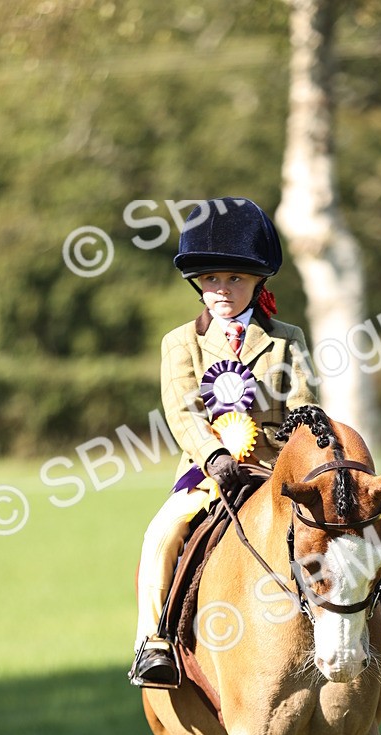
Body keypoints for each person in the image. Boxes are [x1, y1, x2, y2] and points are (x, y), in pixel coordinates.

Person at [129, 196, 318, 687]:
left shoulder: (287, 338)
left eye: (235, 278)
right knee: (162, 533)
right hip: (207, 473)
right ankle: (154, 641)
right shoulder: (180, 343)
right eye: (211, 278)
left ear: (258, 282)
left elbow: (302, 402)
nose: (222, 289)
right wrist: (213, 455)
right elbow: (182, 410)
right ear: (198, 283)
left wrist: (299, 441)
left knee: (342, 514)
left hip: (275, 468)